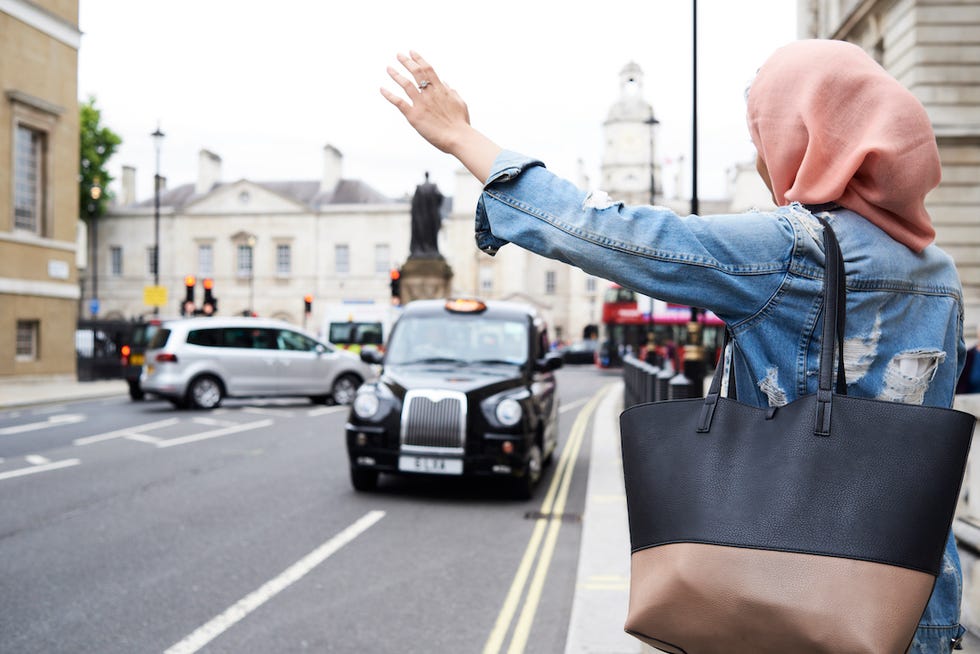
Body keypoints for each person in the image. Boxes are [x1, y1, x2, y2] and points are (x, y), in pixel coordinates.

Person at [382, 40, 968, 652]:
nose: (764, 162)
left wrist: (461, 137)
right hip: (916, 605)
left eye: (764, 138)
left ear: (806, 137)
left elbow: (610, 232)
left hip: (800, 603)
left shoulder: (793, 249)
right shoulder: (938, 273)